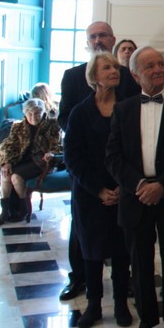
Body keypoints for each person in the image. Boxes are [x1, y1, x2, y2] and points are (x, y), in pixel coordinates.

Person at [105, 46, 164, 328]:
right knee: (140, 264)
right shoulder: (123, 109)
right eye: (150, 66)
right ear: (135, 75)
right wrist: (140, 186)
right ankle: (147, 324)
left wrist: (162, 185)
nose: (158, 69)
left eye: (160, 64)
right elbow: (113, 156)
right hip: (136, 196)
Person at [57, 21, 139, 301]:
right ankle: (79, 278)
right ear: (87, 42)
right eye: (92, 36)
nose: (98, 40)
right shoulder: (72, 76)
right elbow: (64, 117)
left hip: (121, 171)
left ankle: (124, 284)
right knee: (83, 229)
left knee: (121, 232)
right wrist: (86, 136)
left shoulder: (126, 76)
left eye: (103, 35)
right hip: (86, 169)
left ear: (113, 39)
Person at [0, 98, 61, 227]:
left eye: (37, 113)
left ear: (43, 112)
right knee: (5, 174)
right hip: (23, 160)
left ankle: (23, 208)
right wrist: (6, 161)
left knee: (16, 177)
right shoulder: (18, 126)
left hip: (42, 162)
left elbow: (58, 145)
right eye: (29, 114)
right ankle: (4, 212)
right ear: (25, 114)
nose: (33, 117)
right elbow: (8, 145)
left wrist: (51, 153)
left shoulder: (52, 125)